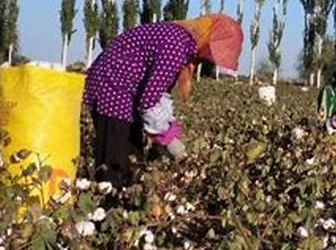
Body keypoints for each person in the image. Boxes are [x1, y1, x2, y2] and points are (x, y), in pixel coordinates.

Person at [83, 14, 243, 187]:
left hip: (125, 91)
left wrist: (169, 128)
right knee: (115, 161)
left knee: (132, 159)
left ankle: (124, 202)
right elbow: (149, 100)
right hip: (111, 87)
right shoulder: (176, 45)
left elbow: (160, 93)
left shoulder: (182, 43)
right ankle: (107, 206)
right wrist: (167, 139)